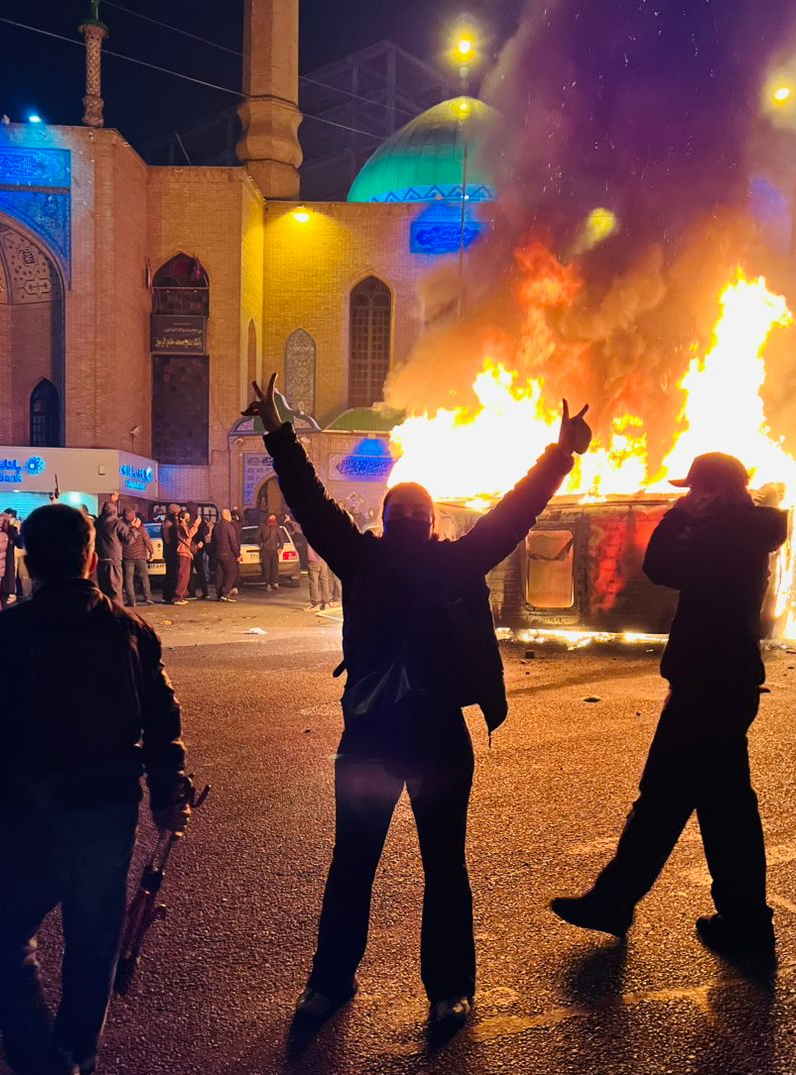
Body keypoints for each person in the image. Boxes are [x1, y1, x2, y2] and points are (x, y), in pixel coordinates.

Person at [246, 373, 592, 1028]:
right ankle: (446, 991)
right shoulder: (450, 560)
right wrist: (560, 453)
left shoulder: (360, 556)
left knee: (357, 865)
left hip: (372, 735)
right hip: (434, 737)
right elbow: (515, 513)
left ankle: (332, 983)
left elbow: (310, 500)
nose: (406, 525)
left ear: (390, 519)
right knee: (439, 868)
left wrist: (280, 432)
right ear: (430, 522)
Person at [0, 502, 190, 1075]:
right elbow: (162, 719)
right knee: (93, 938)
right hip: (106, 810)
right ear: (90, 558)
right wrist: (167, 790)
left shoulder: (15, 629)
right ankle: (74, 1057)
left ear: (30, 560)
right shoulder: (130, 630)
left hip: (27, 811)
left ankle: (44, 1060)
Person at [551, 452, 787, 959]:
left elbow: (659, 566)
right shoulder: (744, 532)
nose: (688, 498)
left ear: (716, 492)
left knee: (664, 799)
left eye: (695, 490)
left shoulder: (729, 537)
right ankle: (744, 922)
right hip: (723, 683)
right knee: (725, 808)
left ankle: (615, 901)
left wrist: (677, 518)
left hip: (708, 686)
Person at [94, 494, 132, 602]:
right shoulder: (117, 524)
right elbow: (128, 540)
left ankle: (105, 609)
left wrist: (112, 501)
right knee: (115, 589)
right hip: (113, 559)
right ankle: (116, 609)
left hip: (101, 560)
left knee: (103, 589)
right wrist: (134, 529)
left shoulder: (97, 523)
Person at [122, 508, 154, 607]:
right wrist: (151, 552)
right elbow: (147, 540)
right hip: (140, 555)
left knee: (128, 578)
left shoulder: (122, 527)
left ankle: (132, 600)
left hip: (127, 556)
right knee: (144, 577)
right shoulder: (141, 527)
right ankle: (148, 598)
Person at [212, 508, 240, 601]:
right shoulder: (229, 526)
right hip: (228, 553)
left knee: (220, 574)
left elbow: (213, 541)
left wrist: (214, 553)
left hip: (218, 553)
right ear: (228, 515)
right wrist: (237, 554)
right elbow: (233, 542)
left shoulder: (216, 526)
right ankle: (225, 592)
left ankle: (219, 593)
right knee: (232, 572)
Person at [173, 510, 194, 604]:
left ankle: (181, 596)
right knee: (183, 576)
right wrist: (196, 525)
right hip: (183, 553)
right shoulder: (181, 527)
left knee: (186, 576)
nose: (188, 519)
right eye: (187, 517)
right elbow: (188, 535)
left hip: (186, 553)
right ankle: (178, 596)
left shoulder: (184, 527)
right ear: (182, 518)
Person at [161, 504, 180, 603]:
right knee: (172, 574)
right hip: (172, 551)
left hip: (168, 551)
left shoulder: (166, 522)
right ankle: (170, 595)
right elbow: (169, 539)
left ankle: (167, 595)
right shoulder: (170, 524)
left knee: (169, 574)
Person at [306, 542, 333, 611]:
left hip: (313, 561)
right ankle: (326, 603)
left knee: (313, 582)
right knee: (324, 581)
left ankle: (315, 604)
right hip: (323, 561)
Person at [190, 515, 211, 599]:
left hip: (192, 550)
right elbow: (205, 534)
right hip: (199, 549)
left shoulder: (191, 523)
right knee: (200, 571)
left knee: (190, 572)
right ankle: (205, 592)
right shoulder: (201, 523)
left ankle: (192, 592)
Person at [260, 513, 281, 590]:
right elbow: (257, 536)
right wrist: (261, 543)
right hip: (265, 550)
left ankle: (275, 582)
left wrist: (280, 547)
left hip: (274, 550)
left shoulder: (277, 527)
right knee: (267, 568)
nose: (272, 520)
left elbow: (282, 538)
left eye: (274, 518)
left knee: (275, 567)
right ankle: (268, 584)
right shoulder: (263, 526)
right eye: (271, 518)